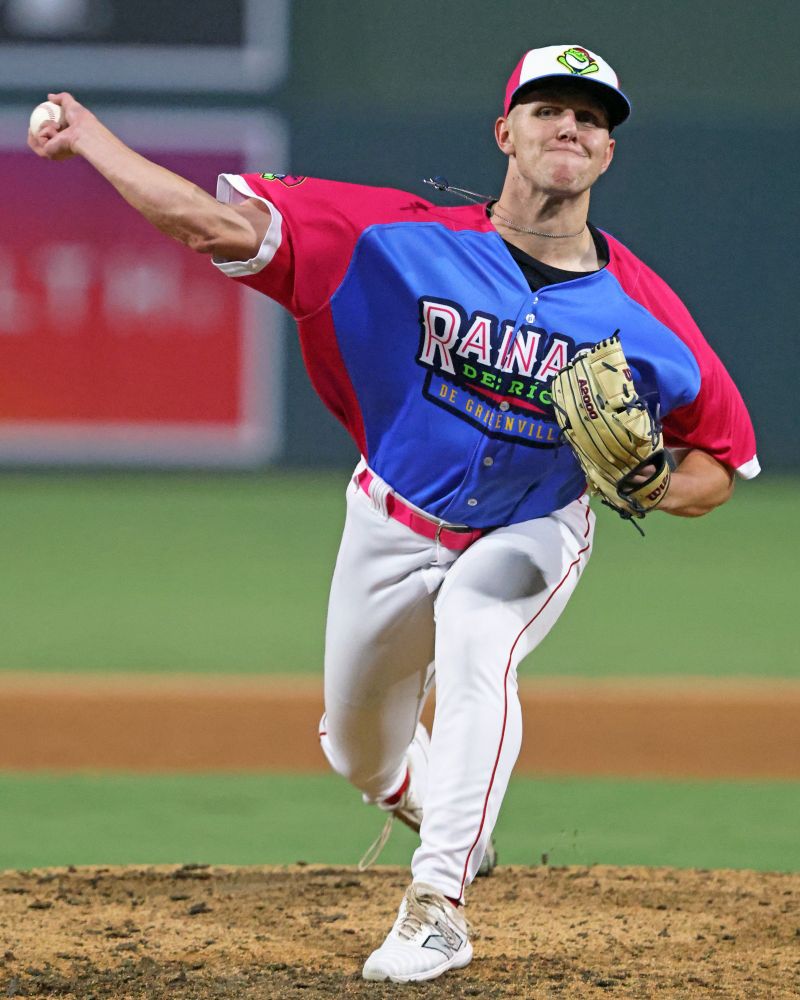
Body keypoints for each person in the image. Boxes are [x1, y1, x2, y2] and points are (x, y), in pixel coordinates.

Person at [29, 42, 759, 985]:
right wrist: (92, 138)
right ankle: (426, 794)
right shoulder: (396, 240)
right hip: (391, 518)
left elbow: (723, 465)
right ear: (506, 131)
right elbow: (215, 228)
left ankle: (439, 903)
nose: (571, 126)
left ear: (608, 154)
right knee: (356, 748)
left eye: (592, 117)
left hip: (531, 528)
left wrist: (654, 480)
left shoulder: (647, 312)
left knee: (474, 633)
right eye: (549, 108)